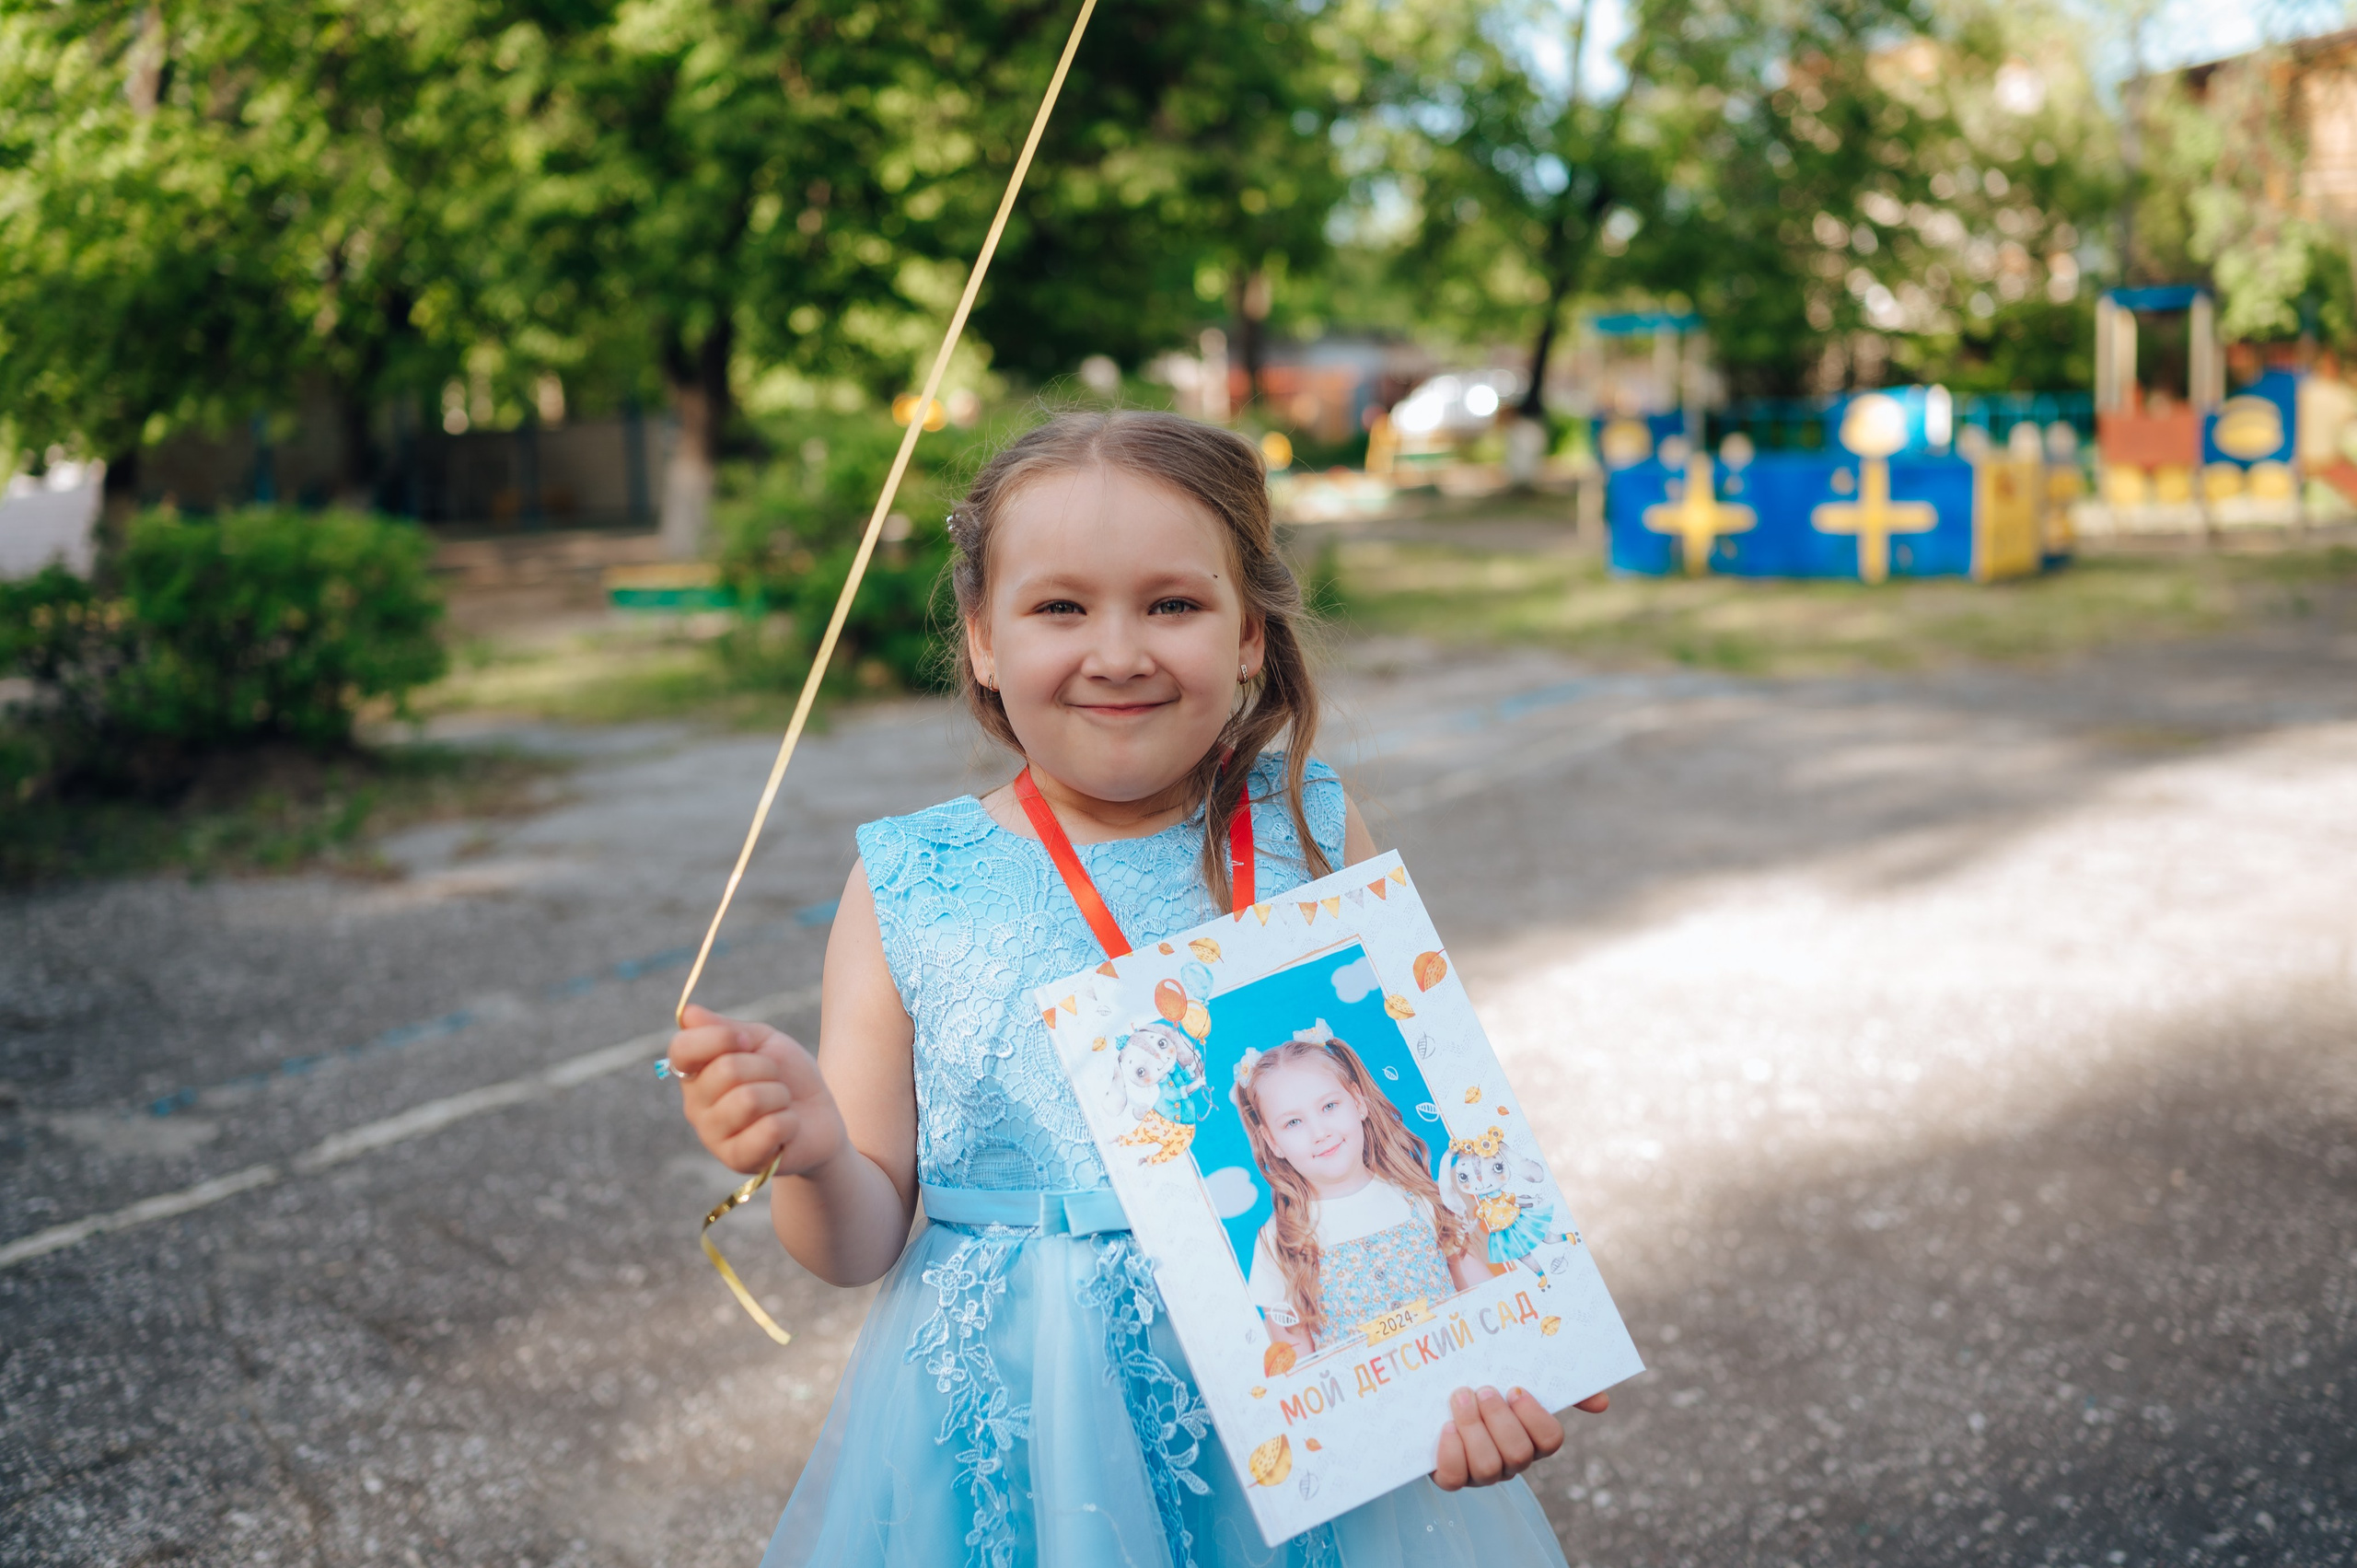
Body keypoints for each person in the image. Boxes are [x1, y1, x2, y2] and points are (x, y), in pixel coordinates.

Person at [668, 410, 1607, 1568]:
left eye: (1172, 603)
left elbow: (1414, 1129)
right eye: (1060, 607)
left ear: (1252, 633)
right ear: (980, 637)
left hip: (1301, 1415)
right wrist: (813, 1149)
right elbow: (857, 1244)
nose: (1117, 651)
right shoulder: (911, 882)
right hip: (1023, 1432)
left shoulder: (1313, 831)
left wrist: (1482, 1362)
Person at [1235, 1026, 1490, 1356]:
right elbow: (1298, 1365)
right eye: (1293, 1123)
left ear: (1358, 1103)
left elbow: (1489, 1297)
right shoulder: (1279, 1240)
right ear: (1272, 1142)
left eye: (1329, 1106)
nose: (1320, 1132)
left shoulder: (1418, 1197)